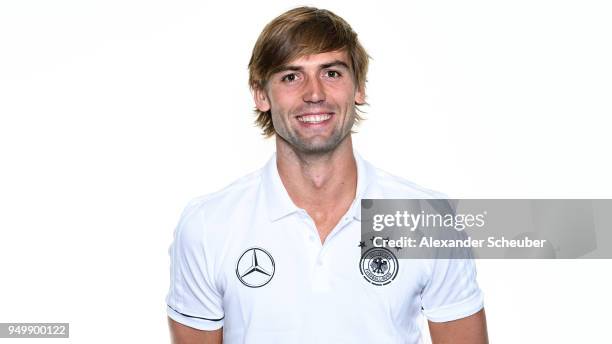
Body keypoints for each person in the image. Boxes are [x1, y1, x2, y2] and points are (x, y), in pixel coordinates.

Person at [166, 6, 488, 344]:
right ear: (261, 94)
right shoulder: (208, 225)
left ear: (359, 88)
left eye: (331, 73)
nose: (314, 94)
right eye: (291, 76)